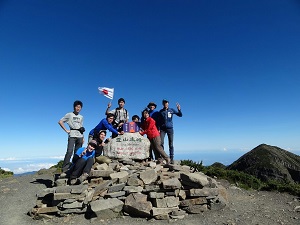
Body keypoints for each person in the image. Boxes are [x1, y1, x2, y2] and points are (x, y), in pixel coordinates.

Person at [58, 100, 85, 173]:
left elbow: (81, 127)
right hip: (72, 135)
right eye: (77, 106)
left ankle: (74, 166)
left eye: (79, 107)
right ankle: (65, 169)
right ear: (74, 107)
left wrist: (83, 137)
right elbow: (60, 121)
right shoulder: (69, 114)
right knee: (69, 151)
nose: (78, 108)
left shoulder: (81, 117)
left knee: (77, 152)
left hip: (80, 135)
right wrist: (66, 130)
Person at [159, 99, 182, 164]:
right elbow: (158, 121)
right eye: (164, 103)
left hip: (170, 128)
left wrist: (179, 109)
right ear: (162, 104)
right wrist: (158, 128)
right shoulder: (161, 111)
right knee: (161, 143)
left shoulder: (171, 110)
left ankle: (171, 158)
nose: (165, 104)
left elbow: (180, 115)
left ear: (168, 103)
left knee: (171, 143)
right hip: (162, 129)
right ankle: (163, 157)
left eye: (166, 103)